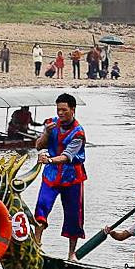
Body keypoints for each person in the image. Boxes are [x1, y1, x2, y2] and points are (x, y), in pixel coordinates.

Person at [33, 93, 87, 255]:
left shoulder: (78, 132)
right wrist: (46, 134)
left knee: (73, 215)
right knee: (42, 206)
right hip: (51, 176)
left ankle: (71, 254)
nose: (61, 113)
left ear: (73, 110)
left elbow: (67, 156)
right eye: (58, 110)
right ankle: (37, 244)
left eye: (64, 110)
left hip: (72, 177)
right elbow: (38, 146)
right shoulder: (51, 124)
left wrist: (48, 160)